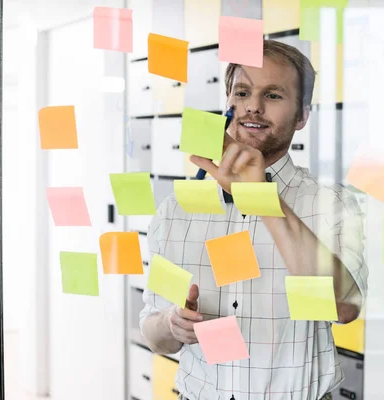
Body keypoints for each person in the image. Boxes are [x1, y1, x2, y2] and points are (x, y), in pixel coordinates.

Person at [139, 39, 368, 400]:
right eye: (242, 92)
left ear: (302, 115)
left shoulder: (332, 204)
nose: (253, 108)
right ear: (228, 104)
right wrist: (173, 324)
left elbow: (344, 308)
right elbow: (154, 337)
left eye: (273, 95)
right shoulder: (177, 210)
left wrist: (260, 196)